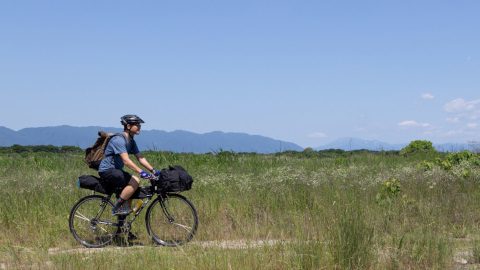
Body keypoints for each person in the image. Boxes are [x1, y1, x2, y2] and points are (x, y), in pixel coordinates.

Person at [98, 114, 160, 216]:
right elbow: (126, 161)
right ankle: (116, 208)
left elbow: (140, 158)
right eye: (137, 124)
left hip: (116, 171)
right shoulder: (119, 140)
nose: (139, 127)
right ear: (128, 126)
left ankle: (122, 227)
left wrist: (153, 170)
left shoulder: (131, 141)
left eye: (140, 125)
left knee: (130, 193)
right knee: (135, 181)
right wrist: (141, 172)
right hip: (107, 170)